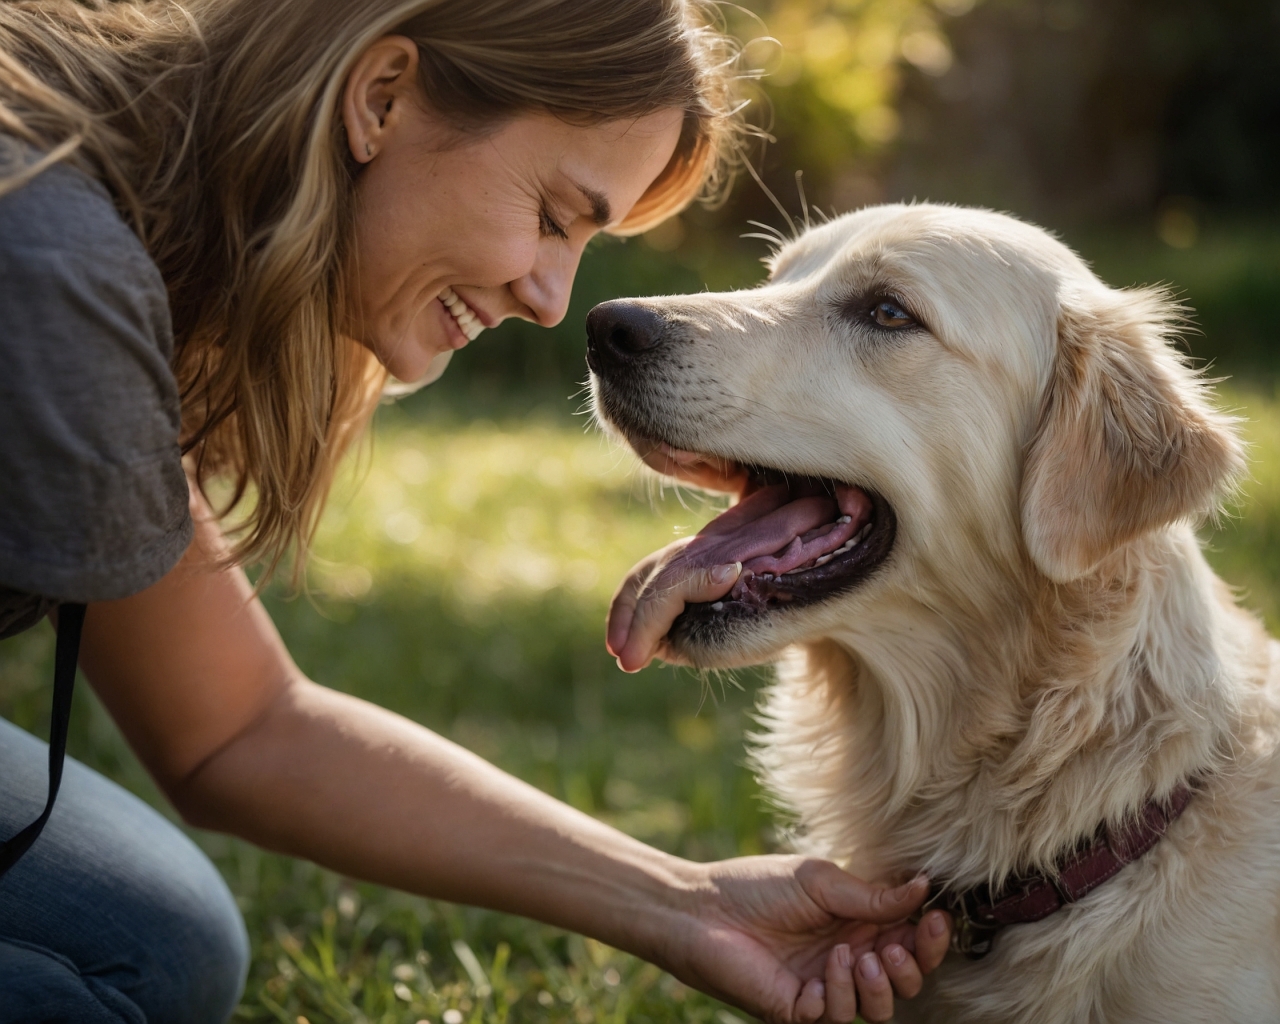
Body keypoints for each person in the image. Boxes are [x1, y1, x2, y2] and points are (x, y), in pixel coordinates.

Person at [0, 2, 953, 1022]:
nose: (553, 299)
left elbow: (232, 725)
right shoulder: (54, 269)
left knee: (160, 943)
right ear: (379, 99)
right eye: (551, 215)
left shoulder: (126, 245)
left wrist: (686, 903)